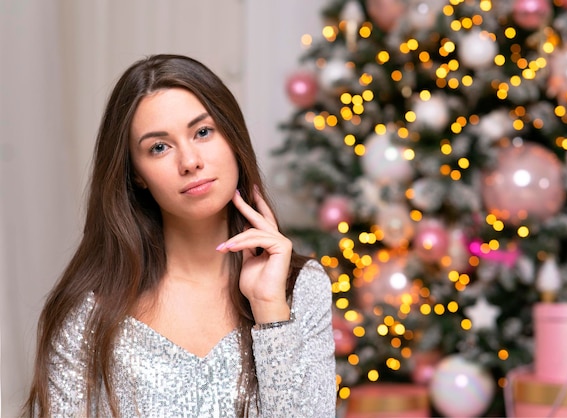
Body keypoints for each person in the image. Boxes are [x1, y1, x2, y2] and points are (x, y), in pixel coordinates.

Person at [24, 54, 336, 417]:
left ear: (232, 138)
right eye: (159, 147)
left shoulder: (301, 288)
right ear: (136, 174)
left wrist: (270, 310)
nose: (189, 161)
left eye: (203, 132)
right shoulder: (89, 312)